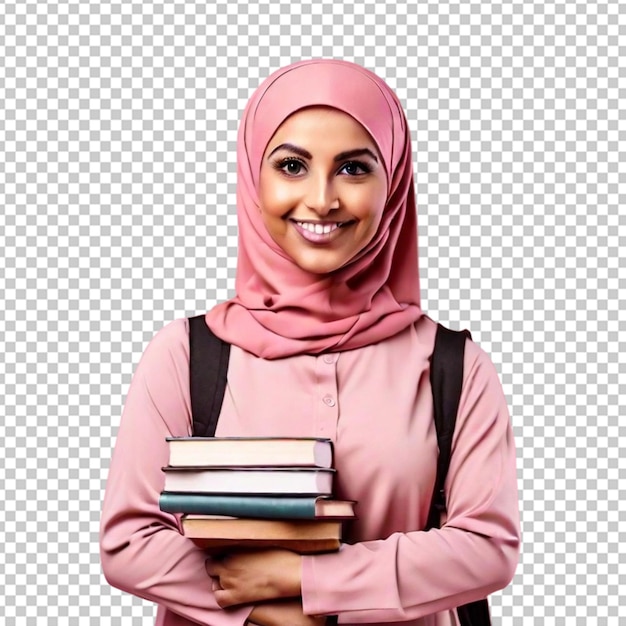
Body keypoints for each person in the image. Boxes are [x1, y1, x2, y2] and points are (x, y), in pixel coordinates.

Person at [100, 59, 520, 626]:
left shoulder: (451, 365)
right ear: (254, 176)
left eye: (353, 168)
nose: (322, 200)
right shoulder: (188, 354)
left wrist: (304, 579)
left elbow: (486, 548)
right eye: (292, 165)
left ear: (392, 181)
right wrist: (267, 610)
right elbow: (128, 543)